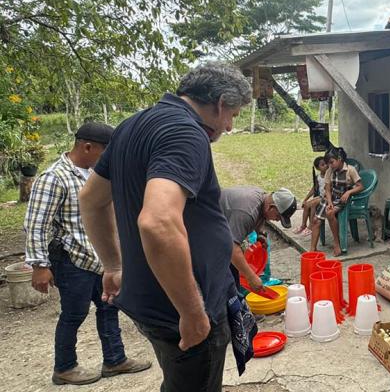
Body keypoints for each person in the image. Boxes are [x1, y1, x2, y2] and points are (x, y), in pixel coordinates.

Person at [79, 62, 252, 392]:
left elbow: (90, 199)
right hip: (181, 306)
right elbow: (157, 222)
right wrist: (192, 312)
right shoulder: (186, 133)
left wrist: (114, 265)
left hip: (151, 300)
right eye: (233, 115)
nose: (229, 127)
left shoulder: (132, 125)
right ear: (220, 104)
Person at [23, 122, 151, 385]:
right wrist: (39, 265)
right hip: (72, 259)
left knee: (109, 307)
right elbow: (37, 224)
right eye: (106, 153)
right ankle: (64, 367)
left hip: (99, 258)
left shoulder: (94, 175)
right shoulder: (54, 178)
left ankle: (115, 360)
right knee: (74, 313)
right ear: (87, 146)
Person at [220, 186, 297, 291]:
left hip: (222, 225)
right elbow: (232, 248)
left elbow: (260, 215)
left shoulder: (262, 198)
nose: (277, 220)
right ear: (271, 207)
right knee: (220, 273)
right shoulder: (246, 212)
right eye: (278, 217)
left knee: (232, 274)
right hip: (204, 223)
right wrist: (251, 277)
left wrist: (259, 233)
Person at [310, 147, 364, 256]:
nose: (330, 166)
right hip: (331, 198)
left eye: (332, 162)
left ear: (339, 159)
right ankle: (312, 250)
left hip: (342, 200)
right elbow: (327, 188)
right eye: (328, 163)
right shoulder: (330, 171)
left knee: (330, 213)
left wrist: (349, 193)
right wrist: (329, 202)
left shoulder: (350, 170)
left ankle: (336, 243)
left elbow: (360, 186)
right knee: (316, 220)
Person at [294, 157, 328, 236]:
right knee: (306, 205)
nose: (326, 165)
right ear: (317, 168)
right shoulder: (318, 177)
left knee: (313, 204)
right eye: (323, 165)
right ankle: (303, 225)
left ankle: (310, 226)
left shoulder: (329, 175)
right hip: (320, 197)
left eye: (326, 163)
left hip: (326, 198)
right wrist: (305, 199)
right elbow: (314, 189)